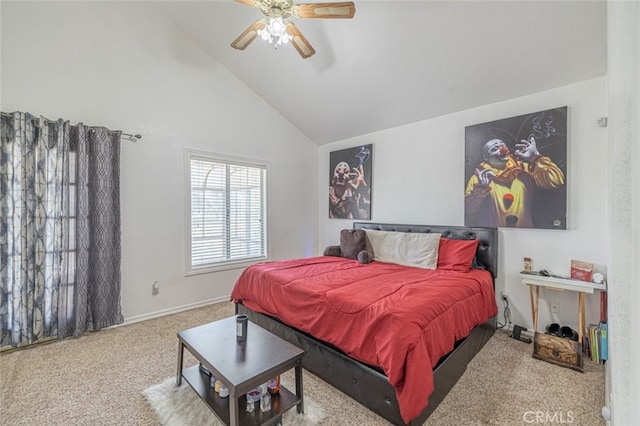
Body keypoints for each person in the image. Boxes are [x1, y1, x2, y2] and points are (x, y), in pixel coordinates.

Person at [465, 136, 564, 227]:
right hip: (494, 237)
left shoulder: (523, 170)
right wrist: (481, 188)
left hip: (526, 235)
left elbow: (556, 181)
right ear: (486, 158)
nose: (502, 149)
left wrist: (536, 157)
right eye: (494, 149)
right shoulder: (480, 177)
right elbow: (469, 208)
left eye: (503, 146)